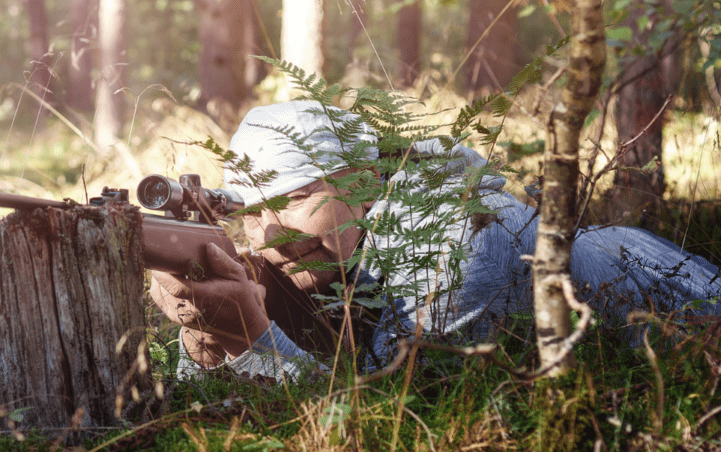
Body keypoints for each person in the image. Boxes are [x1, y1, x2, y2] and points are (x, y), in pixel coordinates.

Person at [149, 100, 721, 381]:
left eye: (294, 199)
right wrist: (206, 340)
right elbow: (226, 413)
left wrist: (254, 335)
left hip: (683, 299)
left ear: (366, 183)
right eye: (249, 214)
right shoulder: (334, 245)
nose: (272, 236)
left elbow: (379, 416)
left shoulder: (458, 242)